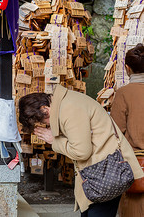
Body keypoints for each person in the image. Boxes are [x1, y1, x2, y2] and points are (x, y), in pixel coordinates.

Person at [18, 85, 144, 217]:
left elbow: (81, 151)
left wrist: (54, 141)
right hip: (100, 172)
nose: (48, 125)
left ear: (45, 109)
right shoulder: (66, 103)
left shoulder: (69, 109)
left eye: (44, 121)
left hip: (104, 174)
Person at [110, 43, 144, 217]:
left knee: (134, 209)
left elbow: (115, 132)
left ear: (128, 68)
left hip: (136, 166)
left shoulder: (124, 93)